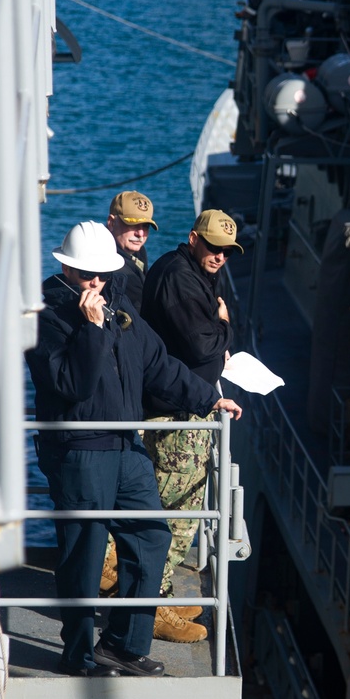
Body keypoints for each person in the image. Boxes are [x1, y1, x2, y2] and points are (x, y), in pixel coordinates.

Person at [26, 220, 242, 678]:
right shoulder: (45, 316)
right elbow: (72, 384)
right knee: (83, 553)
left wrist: (209, 398)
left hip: (126, 444)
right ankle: (79, 654)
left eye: (104, 274)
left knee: (151, 537)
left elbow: (158, 364)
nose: (97, 283)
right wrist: (90, 329)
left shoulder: (119, 305)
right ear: (66, 268)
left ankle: (122, 645)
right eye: (88, 275)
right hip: (79, 449)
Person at [141, 209, 243, 619]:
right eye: (214, 247)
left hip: (188, 404)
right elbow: (201, 346)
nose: (220, 257)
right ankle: (154, 602)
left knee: (181, 507)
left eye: (227, 251)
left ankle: (156, 591)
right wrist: (225, 327)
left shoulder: (193, 271)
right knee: (176, 510)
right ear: (194, 238)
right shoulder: (180, 277)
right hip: (177, 412)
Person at [106, 190, 157, 310]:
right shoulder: (110, 264)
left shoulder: (138, 252)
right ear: (111, 222)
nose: (140, 233)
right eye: (132, 224)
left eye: (145, 226)